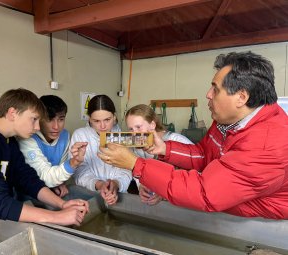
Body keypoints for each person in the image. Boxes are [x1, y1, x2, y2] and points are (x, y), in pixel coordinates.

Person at [98, 51, 288, 219]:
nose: (208, 94)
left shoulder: (266, 145)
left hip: (265, 225)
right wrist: (165, 148)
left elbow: (204, 192)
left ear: (241, 97)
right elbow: (204, 154)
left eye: (215, 89)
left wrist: (136, 164)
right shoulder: (228, 121)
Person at [0, 88, 89, 229]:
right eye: (34, 119)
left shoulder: (8, 141)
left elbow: (27, 179)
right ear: (12, 113)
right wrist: (56, 217)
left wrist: (61, 204)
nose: (38, 127)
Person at [18, 95, 87, 198]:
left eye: (61, 119)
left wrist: (59, 183)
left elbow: (60, 169)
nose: (56, 126)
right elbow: (44, 177)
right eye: (49, 119)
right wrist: (73, 162)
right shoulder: (28, 138)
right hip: (28, 194)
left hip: (54, 189)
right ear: (38, 118)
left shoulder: (64, 135)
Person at [70, 94, 132, 205]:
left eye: (107, 119)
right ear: (89, 119)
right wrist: (99, 184)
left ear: (114, 116)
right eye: (96, 121)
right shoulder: (80, 136)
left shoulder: (122, 137)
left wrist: (116, 184)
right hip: (88, 198)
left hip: (118, 195)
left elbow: (127, 169)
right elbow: (79, 172)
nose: (102, 126)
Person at [125, 104, 193, 205]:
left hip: (183, 203)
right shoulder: (136, 146)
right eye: (131, 129)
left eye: (138, 127)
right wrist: (141, 185)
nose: (135, 134)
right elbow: (136, 167)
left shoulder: (178, 141)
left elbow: (196, 177)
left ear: (152, 125)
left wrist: (165, 191)